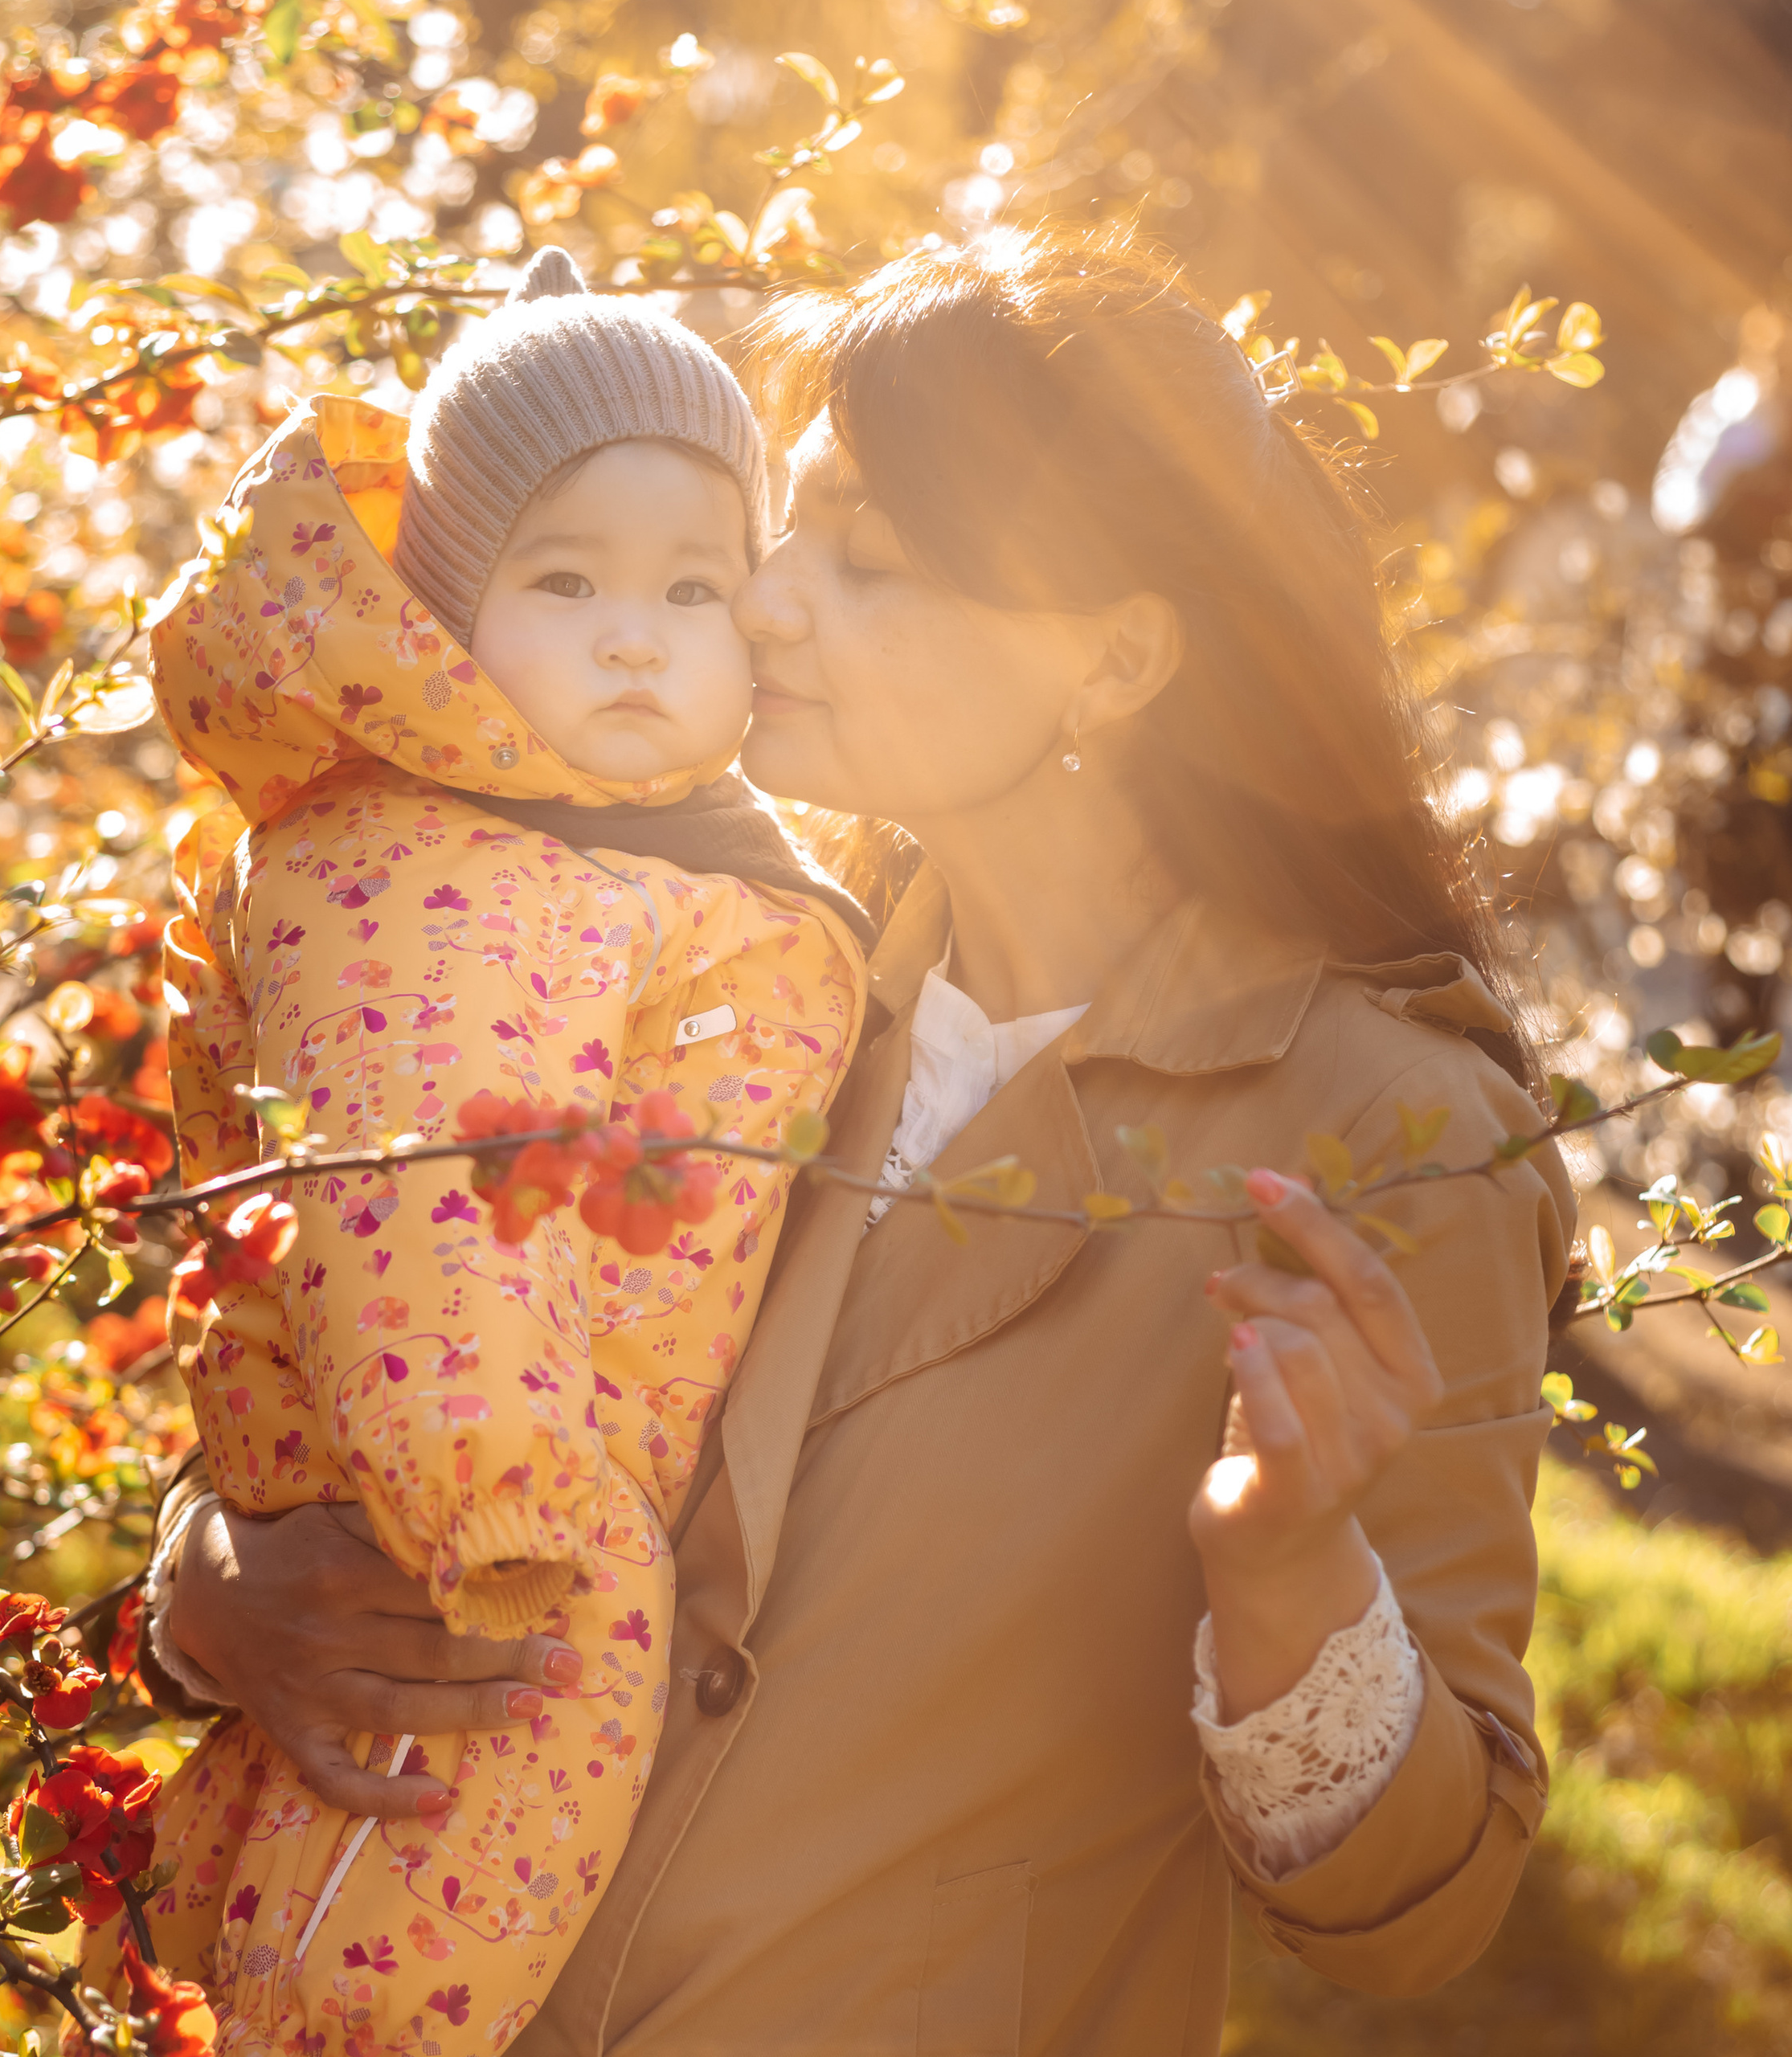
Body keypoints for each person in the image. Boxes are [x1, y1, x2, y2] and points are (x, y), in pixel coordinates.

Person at [137, 227, 1573, 2055]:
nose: (771, 602)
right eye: (787, 528)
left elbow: (1414, 1917)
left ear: (1115, 661)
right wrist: (218, 1583)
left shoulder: (1391, 1133)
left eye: (871, 564)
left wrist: (1291, 1577)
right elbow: (397, 1336)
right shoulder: (746, 965)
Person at [95, 247, 869, 2052]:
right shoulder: (442, 868)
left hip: (536, 1555)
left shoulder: (662, 852)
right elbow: (421, 1194)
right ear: (448, 610)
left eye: (693, 587)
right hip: (484, 1572)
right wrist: (505, 1507)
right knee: (365, 1951)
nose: (631, 635)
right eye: (564, 578)